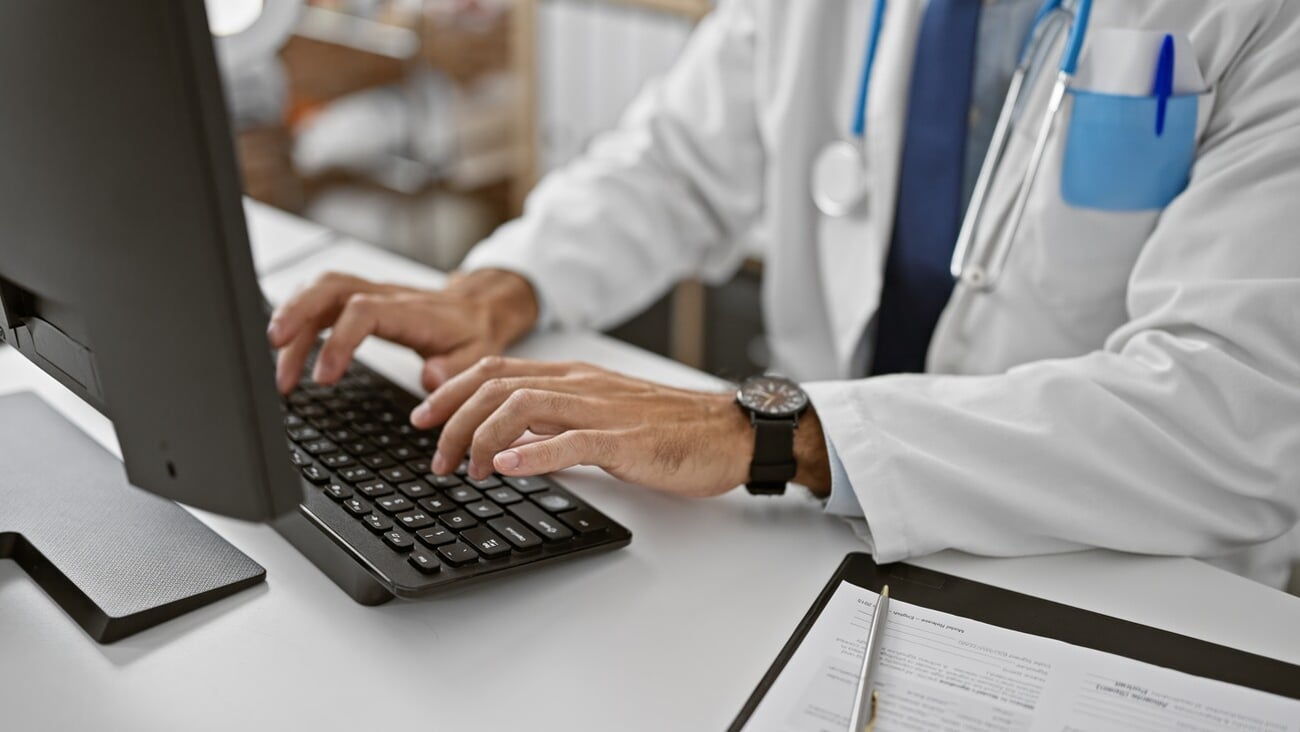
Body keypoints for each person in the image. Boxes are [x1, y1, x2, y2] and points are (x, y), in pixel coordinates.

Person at [267, 0, 1300, 587]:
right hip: (840, 528)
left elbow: (1236, 410)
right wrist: (502, 284)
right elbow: (672, 161)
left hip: (1132, 572)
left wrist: (775, 433)